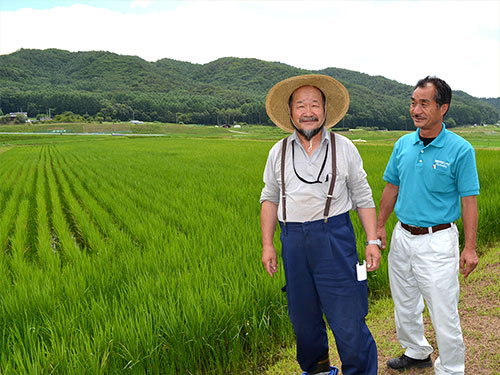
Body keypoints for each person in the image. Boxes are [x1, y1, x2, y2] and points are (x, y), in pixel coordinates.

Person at [260, 74, 380, 375]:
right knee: (304, 321)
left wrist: (372, 240)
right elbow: (270, 198)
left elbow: (363, 195)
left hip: (334, 237)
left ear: (325, 110)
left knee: (348, 319)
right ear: (290, 113)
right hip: (293, 241)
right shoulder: (278, 152)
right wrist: (267, 244)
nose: (308, 111)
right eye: (301, 105)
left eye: (315, 104)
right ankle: (317, 371)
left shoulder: (345, 148)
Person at [376, 76, 479, 374]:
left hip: (437, 240)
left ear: (442, 107)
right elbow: (391, 187)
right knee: (405, 301)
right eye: (412, 102)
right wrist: (381, 225)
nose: (415, 109)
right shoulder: (403, 144)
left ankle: (451, 368)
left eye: (424, 103)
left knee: (443, 309)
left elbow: (468, 200)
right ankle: (417, 350)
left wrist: (470, 248)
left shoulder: (460, 150)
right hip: (402, 235)